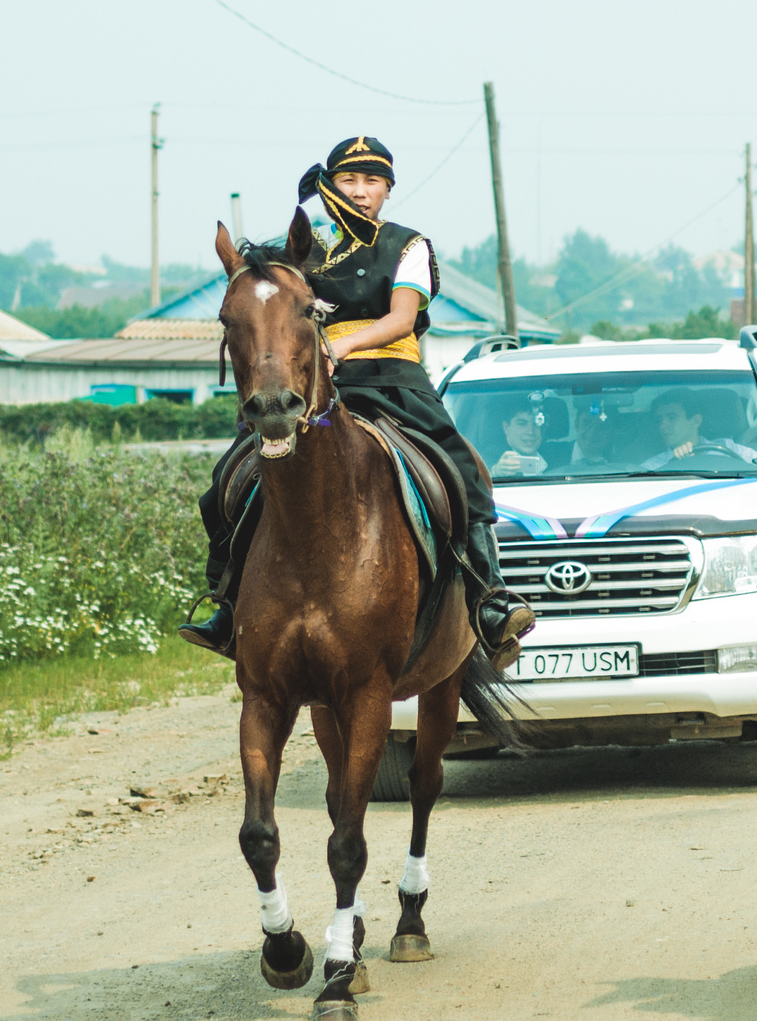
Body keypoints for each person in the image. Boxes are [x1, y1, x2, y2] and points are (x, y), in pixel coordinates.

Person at [182, 136, 529, 661]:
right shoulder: (304, 248)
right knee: (228, 477)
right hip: (318, 394)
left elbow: (400, 319)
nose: (361, 192)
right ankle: (227, 602)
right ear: (328, 188)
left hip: (393, 382)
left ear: (388, 190)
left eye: (372, 182)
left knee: (462, 470)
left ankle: (488, 597)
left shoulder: (407, 245)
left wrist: (337, 344)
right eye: (348, 180)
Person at [639, 389, 757, 471]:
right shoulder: (653, 467)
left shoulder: (728, 448)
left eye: (671, 418)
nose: (662, 426)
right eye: (659, 420)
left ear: (696, 421)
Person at [494, 405, 551, 477]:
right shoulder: (487, 458)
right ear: (506, 427)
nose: (530, 432)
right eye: (522, 424)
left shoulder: (558, 454)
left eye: (536, 424)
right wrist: (496, 472)